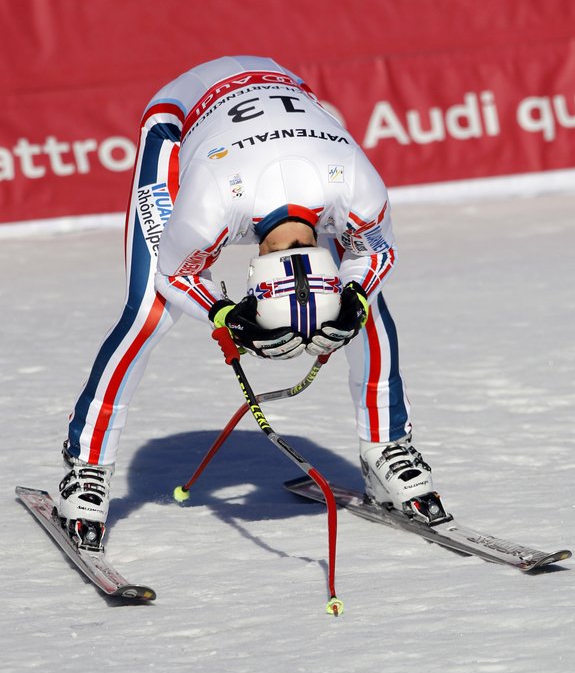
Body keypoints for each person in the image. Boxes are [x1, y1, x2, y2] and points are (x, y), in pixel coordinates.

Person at [59, 55, 435, 549]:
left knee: (367, 307)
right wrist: (222, 313)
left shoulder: (357, 191)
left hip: (290, 107)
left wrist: (356, 296)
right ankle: (86, 466)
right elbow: (175, 273)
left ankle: (389, 447)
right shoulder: (209, 209)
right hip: (180, 119)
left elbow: (376, 255)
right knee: (149, 312)